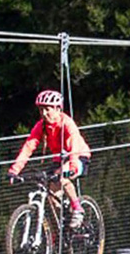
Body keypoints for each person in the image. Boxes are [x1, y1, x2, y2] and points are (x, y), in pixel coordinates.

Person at [8, 88, 91, 226]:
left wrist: (73, 166)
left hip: (78, 156)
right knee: (49, 190)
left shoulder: (67, 123)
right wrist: (14, 170)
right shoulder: (41, 126)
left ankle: (78, 208)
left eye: (47, 109)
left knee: (62, 177)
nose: (44, 113)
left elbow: (74, 144)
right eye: (41, 110)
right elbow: (29, 146)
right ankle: (60, 224)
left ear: (58, 109)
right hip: (59, 159)